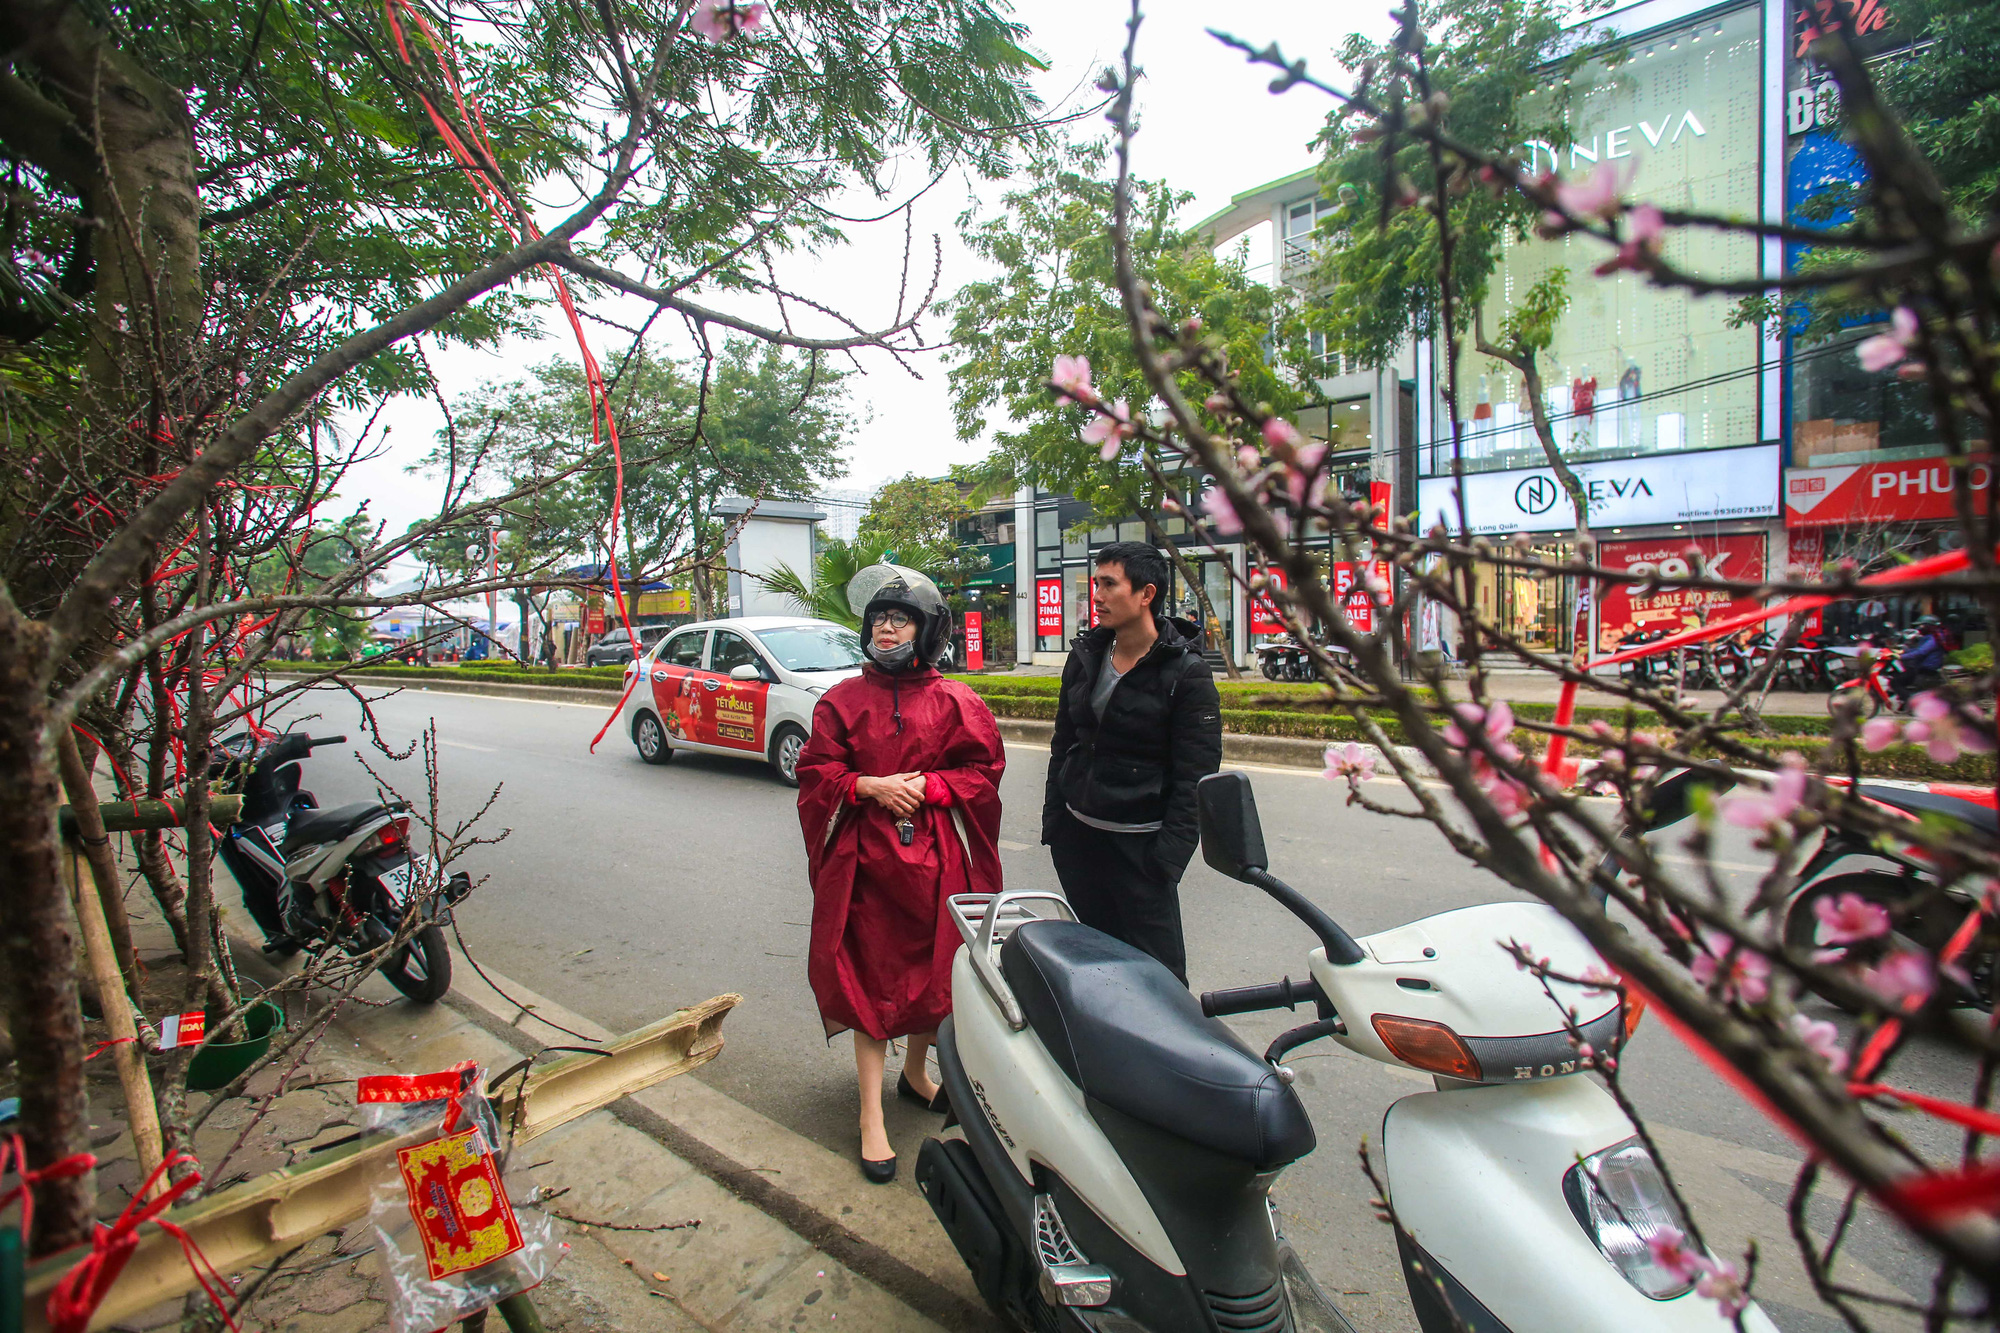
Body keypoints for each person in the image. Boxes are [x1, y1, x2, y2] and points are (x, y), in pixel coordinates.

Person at [795, 564, 1005, 1184]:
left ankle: (915, 1074)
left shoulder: (956, 700)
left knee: (932, 974)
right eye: (879, 620)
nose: (886, 629)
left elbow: (982, 771)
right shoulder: (839, 702)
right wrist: (867, 784)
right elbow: (815, 773)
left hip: (937, 864)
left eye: (900, 619)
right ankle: (869, 1114)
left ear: (925, 630)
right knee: (867, 980)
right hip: (865, 868)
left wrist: (933, 785)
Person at [1041, 541, 1222, 984]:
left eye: (1108, 584)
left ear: (1146, 594)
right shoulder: (1085, 657)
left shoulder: (1185, 673)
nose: (1096, 596)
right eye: (1095, 583)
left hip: (1140, 852)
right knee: (1098, 968)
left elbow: (1195, 777)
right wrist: (1055, 823)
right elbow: (1064, 741)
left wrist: (1166, 863)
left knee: (1160, 981)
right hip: (1079, 843)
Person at [1893, 615, 1947, 702]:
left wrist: (1901, 657)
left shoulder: (1933, 639)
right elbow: (1917, 649)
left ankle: (1910, 702)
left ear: (1928, 626)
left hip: (1926, 670)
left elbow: (1921, 652)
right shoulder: (1930, 637)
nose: (1919, 628)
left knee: (1895, 682)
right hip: (1921, 667)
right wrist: (1902, 652)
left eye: (1921, 625)